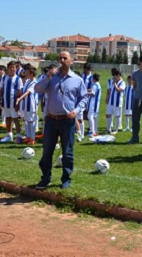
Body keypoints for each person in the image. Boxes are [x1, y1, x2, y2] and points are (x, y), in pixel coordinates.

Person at [34, 51, 88, 189]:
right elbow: (37, 89)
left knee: (67, 153)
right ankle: (45, 178)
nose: (62, 60)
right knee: (47, 152)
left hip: (67, 121)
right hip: (51, 120)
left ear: (71, 61)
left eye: (65, 58)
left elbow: (84, 98)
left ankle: (66, 179)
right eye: (60, 58)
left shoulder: (77, 80)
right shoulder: (51, 78)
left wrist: (76, 111)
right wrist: (47, 77)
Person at [106, 68, 126, 134]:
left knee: (117, 116)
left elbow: (118, 90)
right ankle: (108, 129)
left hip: (117, 103)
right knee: (108, 115)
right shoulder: (113, 81)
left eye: (115, 76)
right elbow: (109, 90)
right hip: (111, 102)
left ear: (119, 76)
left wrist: (114, 83)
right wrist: (107, 97)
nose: (114, 77)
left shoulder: (123, 83)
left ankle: (116, 130)